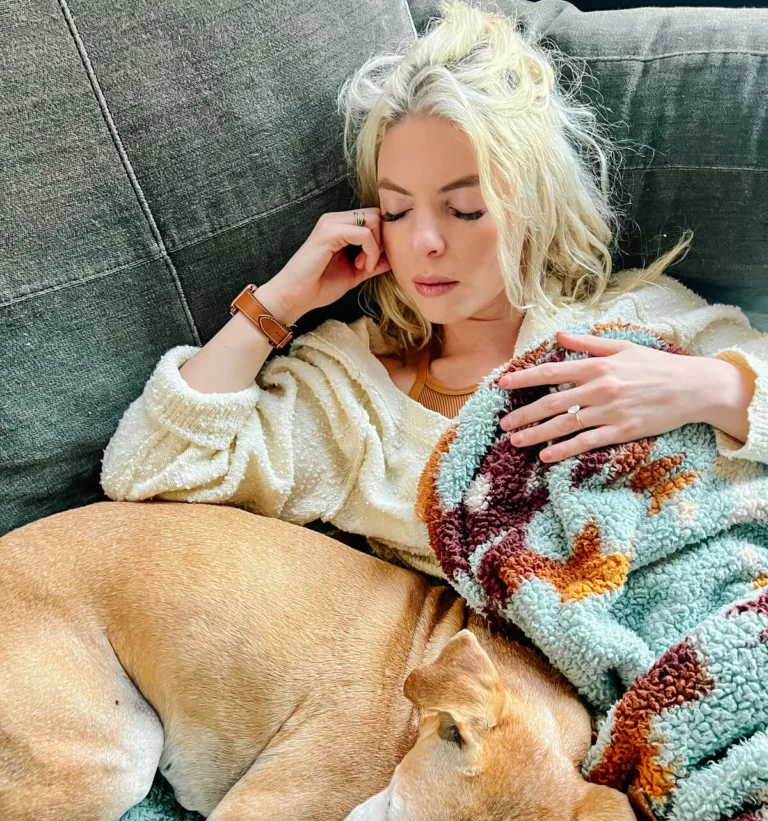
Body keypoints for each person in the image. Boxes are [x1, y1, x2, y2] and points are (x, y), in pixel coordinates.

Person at [101, 0, 766, 580]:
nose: (424, 243)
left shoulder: (631, 318)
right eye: (396, 210)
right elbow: (148, 470)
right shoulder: (355, 404)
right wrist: (277, 304)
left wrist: (712, 389)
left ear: (532, 209)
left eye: (464, 209)